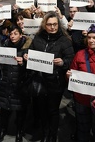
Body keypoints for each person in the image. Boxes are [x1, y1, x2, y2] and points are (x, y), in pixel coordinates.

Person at [23, 11, 74, 142]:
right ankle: (45, 133)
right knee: (42, 110)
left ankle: (52, 136)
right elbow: (30, 51)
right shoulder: (38, 38)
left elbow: (70, 59)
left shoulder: (64, 40)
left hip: (55, 82)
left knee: (53, 111)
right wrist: (26, 56)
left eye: (55, 24)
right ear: (44, 25)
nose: (53, 27)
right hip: (39, 80)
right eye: (50, 24)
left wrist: (63, 63)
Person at [0, 25, 32, 142]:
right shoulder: (4, 46)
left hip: (20, 84)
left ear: (21, 35)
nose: (13, 36)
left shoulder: (27, 49)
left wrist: (24, 63)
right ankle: (3, 130)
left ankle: (19, 132)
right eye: (11, 34)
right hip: (6, 82)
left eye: (15, 34)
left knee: (20, 111)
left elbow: (32, 68)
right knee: (4, 109)